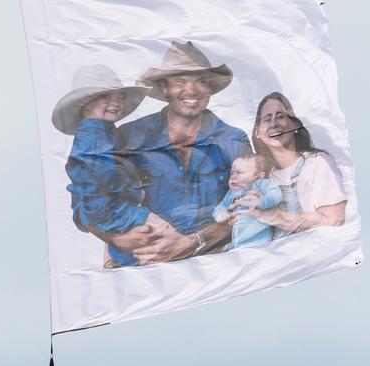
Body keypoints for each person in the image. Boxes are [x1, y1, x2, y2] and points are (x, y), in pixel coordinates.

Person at [78, 41, 252, 266]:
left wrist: (190, 243)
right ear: (164, 88)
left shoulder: (232, 140)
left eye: (201, 81)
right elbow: (87, 203)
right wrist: (118, 240)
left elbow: (252, 210)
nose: (191, 90)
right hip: (141, 275)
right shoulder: (128, 138)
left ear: (210, 89)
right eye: (180, 81)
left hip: (215, 271)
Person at [52, 65, 157, 267]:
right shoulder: (93, 138)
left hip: (118, 220)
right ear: (85, 104)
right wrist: (134, 219)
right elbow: (98, 199)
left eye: (119, 97)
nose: (115, 103)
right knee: (170, 234)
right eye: (106, 97)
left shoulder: (105, 133)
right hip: (121, 220)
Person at [241, 92, 347, 238]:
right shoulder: (262, 178)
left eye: (280, 116)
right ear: (257, 132)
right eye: (267, 119)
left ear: (295, 124)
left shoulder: (317, 163)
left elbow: (335, 220)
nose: (273, 124)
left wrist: (276, 217)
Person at [212, 154, 281, 249]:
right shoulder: (231, 193)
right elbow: (221, 206)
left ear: (258, 177)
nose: (233, 177)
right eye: (232, 173)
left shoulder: (262, 184)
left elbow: (275, 195)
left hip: (260, 243)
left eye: (239, 172)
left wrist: (260, 202)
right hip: (237, 244)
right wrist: (220, 214)